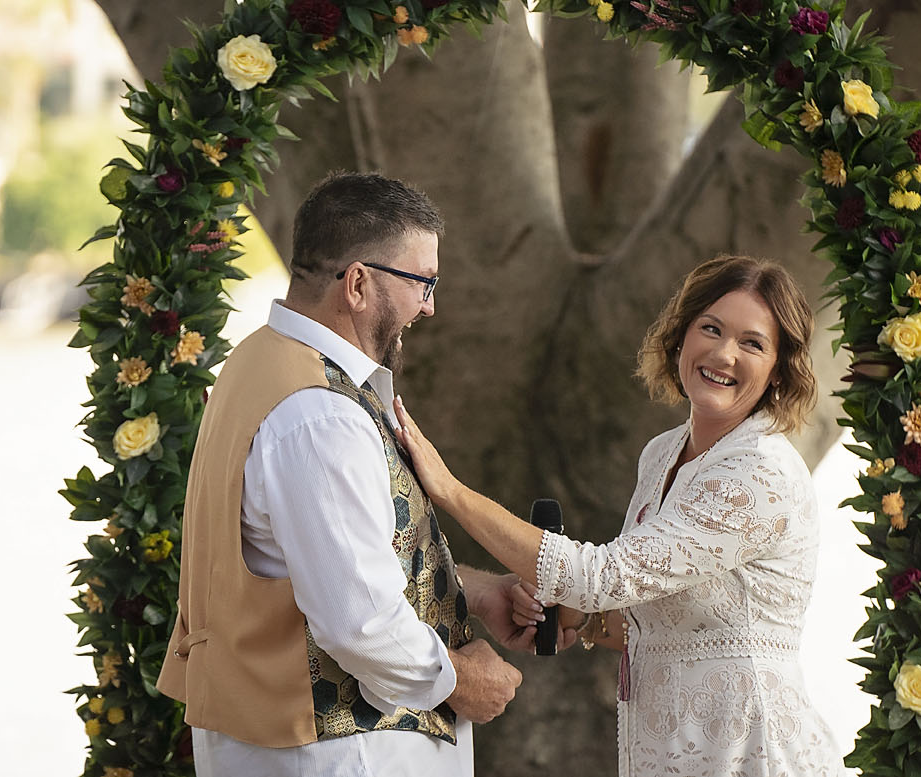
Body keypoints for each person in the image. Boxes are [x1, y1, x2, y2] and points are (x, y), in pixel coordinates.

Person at [395, 254, 844, 776]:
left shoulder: (760, 474)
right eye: (711, 328)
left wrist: (448, 490)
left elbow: (599, 576)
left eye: (752, 343)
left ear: (777, 369)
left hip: (751, 754)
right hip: (667, 753)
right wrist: (579, 619)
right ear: (681, 336)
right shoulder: (662, 453)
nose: (724, 354)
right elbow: (657, 621)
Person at [157, 171, 534, 777]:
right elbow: (358, 622)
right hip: (340, 754)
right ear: (358, 283)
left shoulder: (255, 362)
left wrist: (471, 591)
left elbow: (313, 561)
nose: (430, 305)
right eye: (423, 282)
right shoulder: (320, 415)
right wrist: (461, 681)